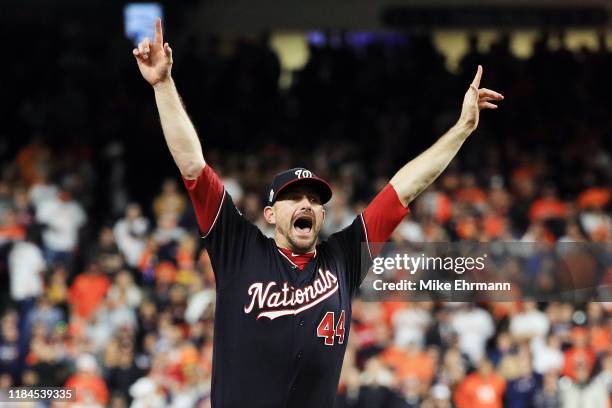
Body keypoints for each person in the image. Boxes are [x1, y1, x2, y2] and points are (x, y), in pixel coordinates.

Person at [132, 18, 503, 408]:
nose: (307, 204)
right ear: (272, 214)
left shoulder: (343, 258)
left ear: (323, 214)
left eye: (314, 198)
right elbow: (193, 167)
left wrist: (462, 128)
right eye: (295, 197)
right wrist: (163, 84)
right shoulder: (238, 248)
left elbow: (404, 188)